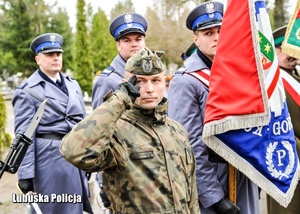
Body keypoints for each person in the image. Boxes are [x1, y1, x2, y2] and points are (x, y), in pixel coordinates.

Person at [60, 47, 200, 213]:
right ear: (126, 85)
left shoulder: (177, 130)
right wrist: (118, 100)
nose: (149, 89)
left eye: (155, 80)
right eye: (140, 81)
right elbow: (72, 151)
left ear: (164, 83)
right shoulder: (115, 132)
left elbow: (191, 192)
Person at [167, 1, 260, 214]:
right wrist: (215, 197)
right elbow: (189, 145)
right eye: (208, 33)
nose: (217, 37)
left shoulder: (236, 70)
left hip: (243, 174)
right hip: (212, 181)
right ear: (196, 39)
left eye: (221, 30)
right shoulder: (186, 80)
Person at [12, 33, 92, 214]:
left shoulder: (73, 85)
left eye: (58, 54)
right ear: (38, 59)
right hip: (48, 162)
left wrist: (87, 157)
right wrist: (25, 175)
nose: (56, 58)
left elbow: (83, 123)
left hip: (74, 158)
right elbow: (24, 137)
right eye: (49, 55)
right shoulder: (27, 90)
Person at [91, 12, 148, 208]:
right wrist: (102, 184)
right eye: (127, 40)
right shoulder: (107, 79)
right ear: (118, 45)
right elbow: (99, 131)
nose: (134, 44)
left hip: (148, 164)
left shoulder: (151, 74)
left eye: (138, 39)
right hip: (121, 167)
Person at [267, 25, 300, 214]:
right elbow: (274, 129)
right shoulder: (270, 83)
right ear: (273, 49)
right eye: (287, 49)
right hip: (287, 166)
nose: (293, 54)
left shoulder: (294, 76)